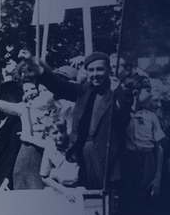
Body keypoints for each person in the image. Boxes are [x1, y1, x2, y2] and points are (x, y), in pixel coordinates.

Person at [23, 50, 131, 190]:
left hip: (110, 157)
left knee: (112, 202)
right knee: (91, 202)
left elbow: (123, 122)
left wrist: (119, 96)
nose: (95, 74)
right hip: (86, 156)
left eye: (100, 69)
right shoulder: (84, 90)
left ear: (109, 70)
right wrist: (36, 67)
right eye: (91, 70)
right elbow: (59, 85)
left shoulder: (119, 92)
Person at [123, 76, 165, 197]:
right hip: (128, 161)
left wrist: (157, 177)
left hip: (148, 161)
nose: (151, 95)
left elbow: (159, 148)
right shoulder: (123, 115)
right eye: (148, 90)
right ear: (135, 93)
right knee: (129, 199)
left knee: (147, 197)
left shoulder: (151, 117)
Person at [40, 116, 79, 202]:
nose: (60, 135)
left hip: (77, 188)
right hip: (59, 189)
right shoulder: (49, 149)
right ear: (48, 134)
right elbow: (44, 177)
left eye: (62, 131)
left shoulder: (74, 144)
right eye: (55, 133)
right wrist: (64, 190)